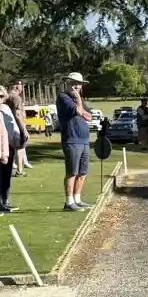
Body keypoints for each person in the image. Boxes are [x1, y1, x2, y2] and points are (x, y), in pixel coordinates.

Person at [56, 70, 93, 211]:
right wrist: (78, 99)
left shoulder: (80, 99)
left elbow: (89, 117)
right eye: (74, 84)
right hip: (72, 139)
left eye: (79, 84)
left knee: (82, 172)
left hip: (83, 140)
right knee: (72, 171)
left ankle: (77, 199)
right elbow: (78, 111)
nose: (77, 86)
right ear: (68, 83)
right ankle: (69, 202)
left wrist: (80, 106)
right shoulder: (63, 97)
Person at [0, 87, 18, 214]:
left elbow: (10, 129)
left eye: (1, 97)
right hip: (2, 149)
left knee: (6, 176)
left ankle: (5, 201)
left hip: (8, 147)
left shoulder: (5, 109)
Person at [6, 80, 28, 176]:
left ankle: (10, 168)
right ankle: (20, 170)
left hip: (7, 126)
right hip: (16, 126)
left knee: (9, 148)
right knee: (20, 147)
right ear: (17, 87)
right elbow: (18, 114)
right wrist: (23, 129)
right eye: (21, 86)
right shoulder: (16, 97)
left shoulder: (6, 97)